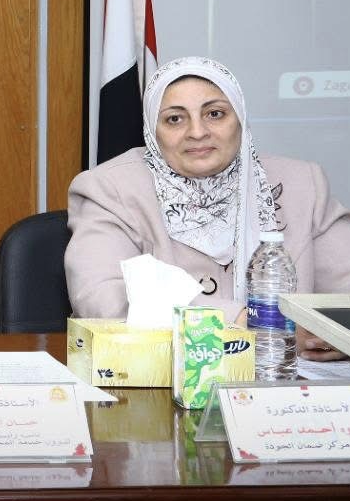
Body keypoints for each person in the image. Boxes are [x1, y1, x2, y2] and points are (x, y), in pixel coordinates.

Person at [66, 56, 350, 361]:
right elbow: (104, 302)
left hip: (285, 379)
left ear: (240, 118)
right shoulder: (110, 189)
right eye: (175, 119)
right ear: (152, 130)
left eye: (215, 114)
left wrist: (335, 332)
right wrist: (247, 323)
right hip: (167, 378)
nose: (197, 132)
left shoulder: (302, 184)